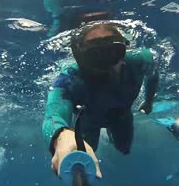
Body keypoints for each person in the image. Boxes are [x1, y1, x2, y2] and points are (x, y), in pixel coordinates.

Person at [42, 22, 160, 178]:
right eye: (96, 54)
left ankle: (109, 136)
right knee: (87, 152)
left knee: (123, 148)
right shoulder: (70, 77)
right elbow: (53, 112)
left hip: (121, 117)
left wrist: (149, 100)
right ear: (81, 59)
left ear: (124, 49)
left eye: (113, 50)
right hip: (89, 123)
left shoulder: (141, 60)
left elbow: (153, 77)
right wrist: (62, 136)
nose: (108, 63)